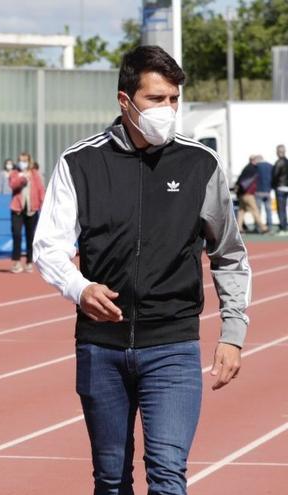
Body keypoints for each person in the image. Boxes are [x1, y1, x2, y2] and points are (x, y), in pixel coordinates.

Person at [33, 46, 250, 495]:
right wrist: (79, 288)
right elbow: (48, 247)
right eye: (156, 99)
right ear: (124, 100)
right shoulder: (80, 162)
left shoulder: (199, 164)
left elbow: (228, 251)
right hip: (100, 347)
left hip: (172, 345)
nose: (167, 109)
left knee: (168, 475)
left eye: (174, 99)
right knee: (111, 480)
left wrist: (233, 333)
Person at [9, 152, 45, 273]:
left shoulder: (34, 173)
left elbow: (40, 189)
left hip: (32, 209)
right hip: (17, 209)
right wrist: (22, 178)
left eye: (25, 160)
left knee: (31, 236)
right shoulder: (15, 172)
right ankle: (16, 262)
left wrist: (42, 205)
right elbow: (12, 185)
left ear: (29, 161)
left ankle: (29, 262)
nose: (22, 163)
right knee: (17, 235)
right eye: (20, 160)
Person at [235, 155, 268, 234]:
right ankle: (264, 228)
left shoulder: (246, 168)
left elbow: (239, 180)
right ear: (253, 160)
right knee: (255, 210)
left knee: (241, 211)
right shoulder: (253, 169)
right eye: (257, 160)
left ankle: (239, 228)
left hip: (241, 194)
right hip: (248, 194)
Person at [254, 154, 274, 230]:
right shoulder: (270, 166)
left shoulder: (256, 166)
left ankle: (258, 227)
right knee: (268, 210)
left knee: (258, 211)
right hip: (267, 191)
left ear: (258, 159)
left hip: (258, 191)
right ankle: (270, 226)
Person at [273, 145, 288, 234]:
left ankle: (283, 227)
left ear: (278, 152)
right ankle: (284, 225)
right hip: (286, 187)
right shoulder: (287, 161)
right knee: (284, 208)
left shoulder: (279, 162)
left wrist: (273, 185)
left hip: (280, 187)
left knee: (281, 208)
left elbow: (275, 175)